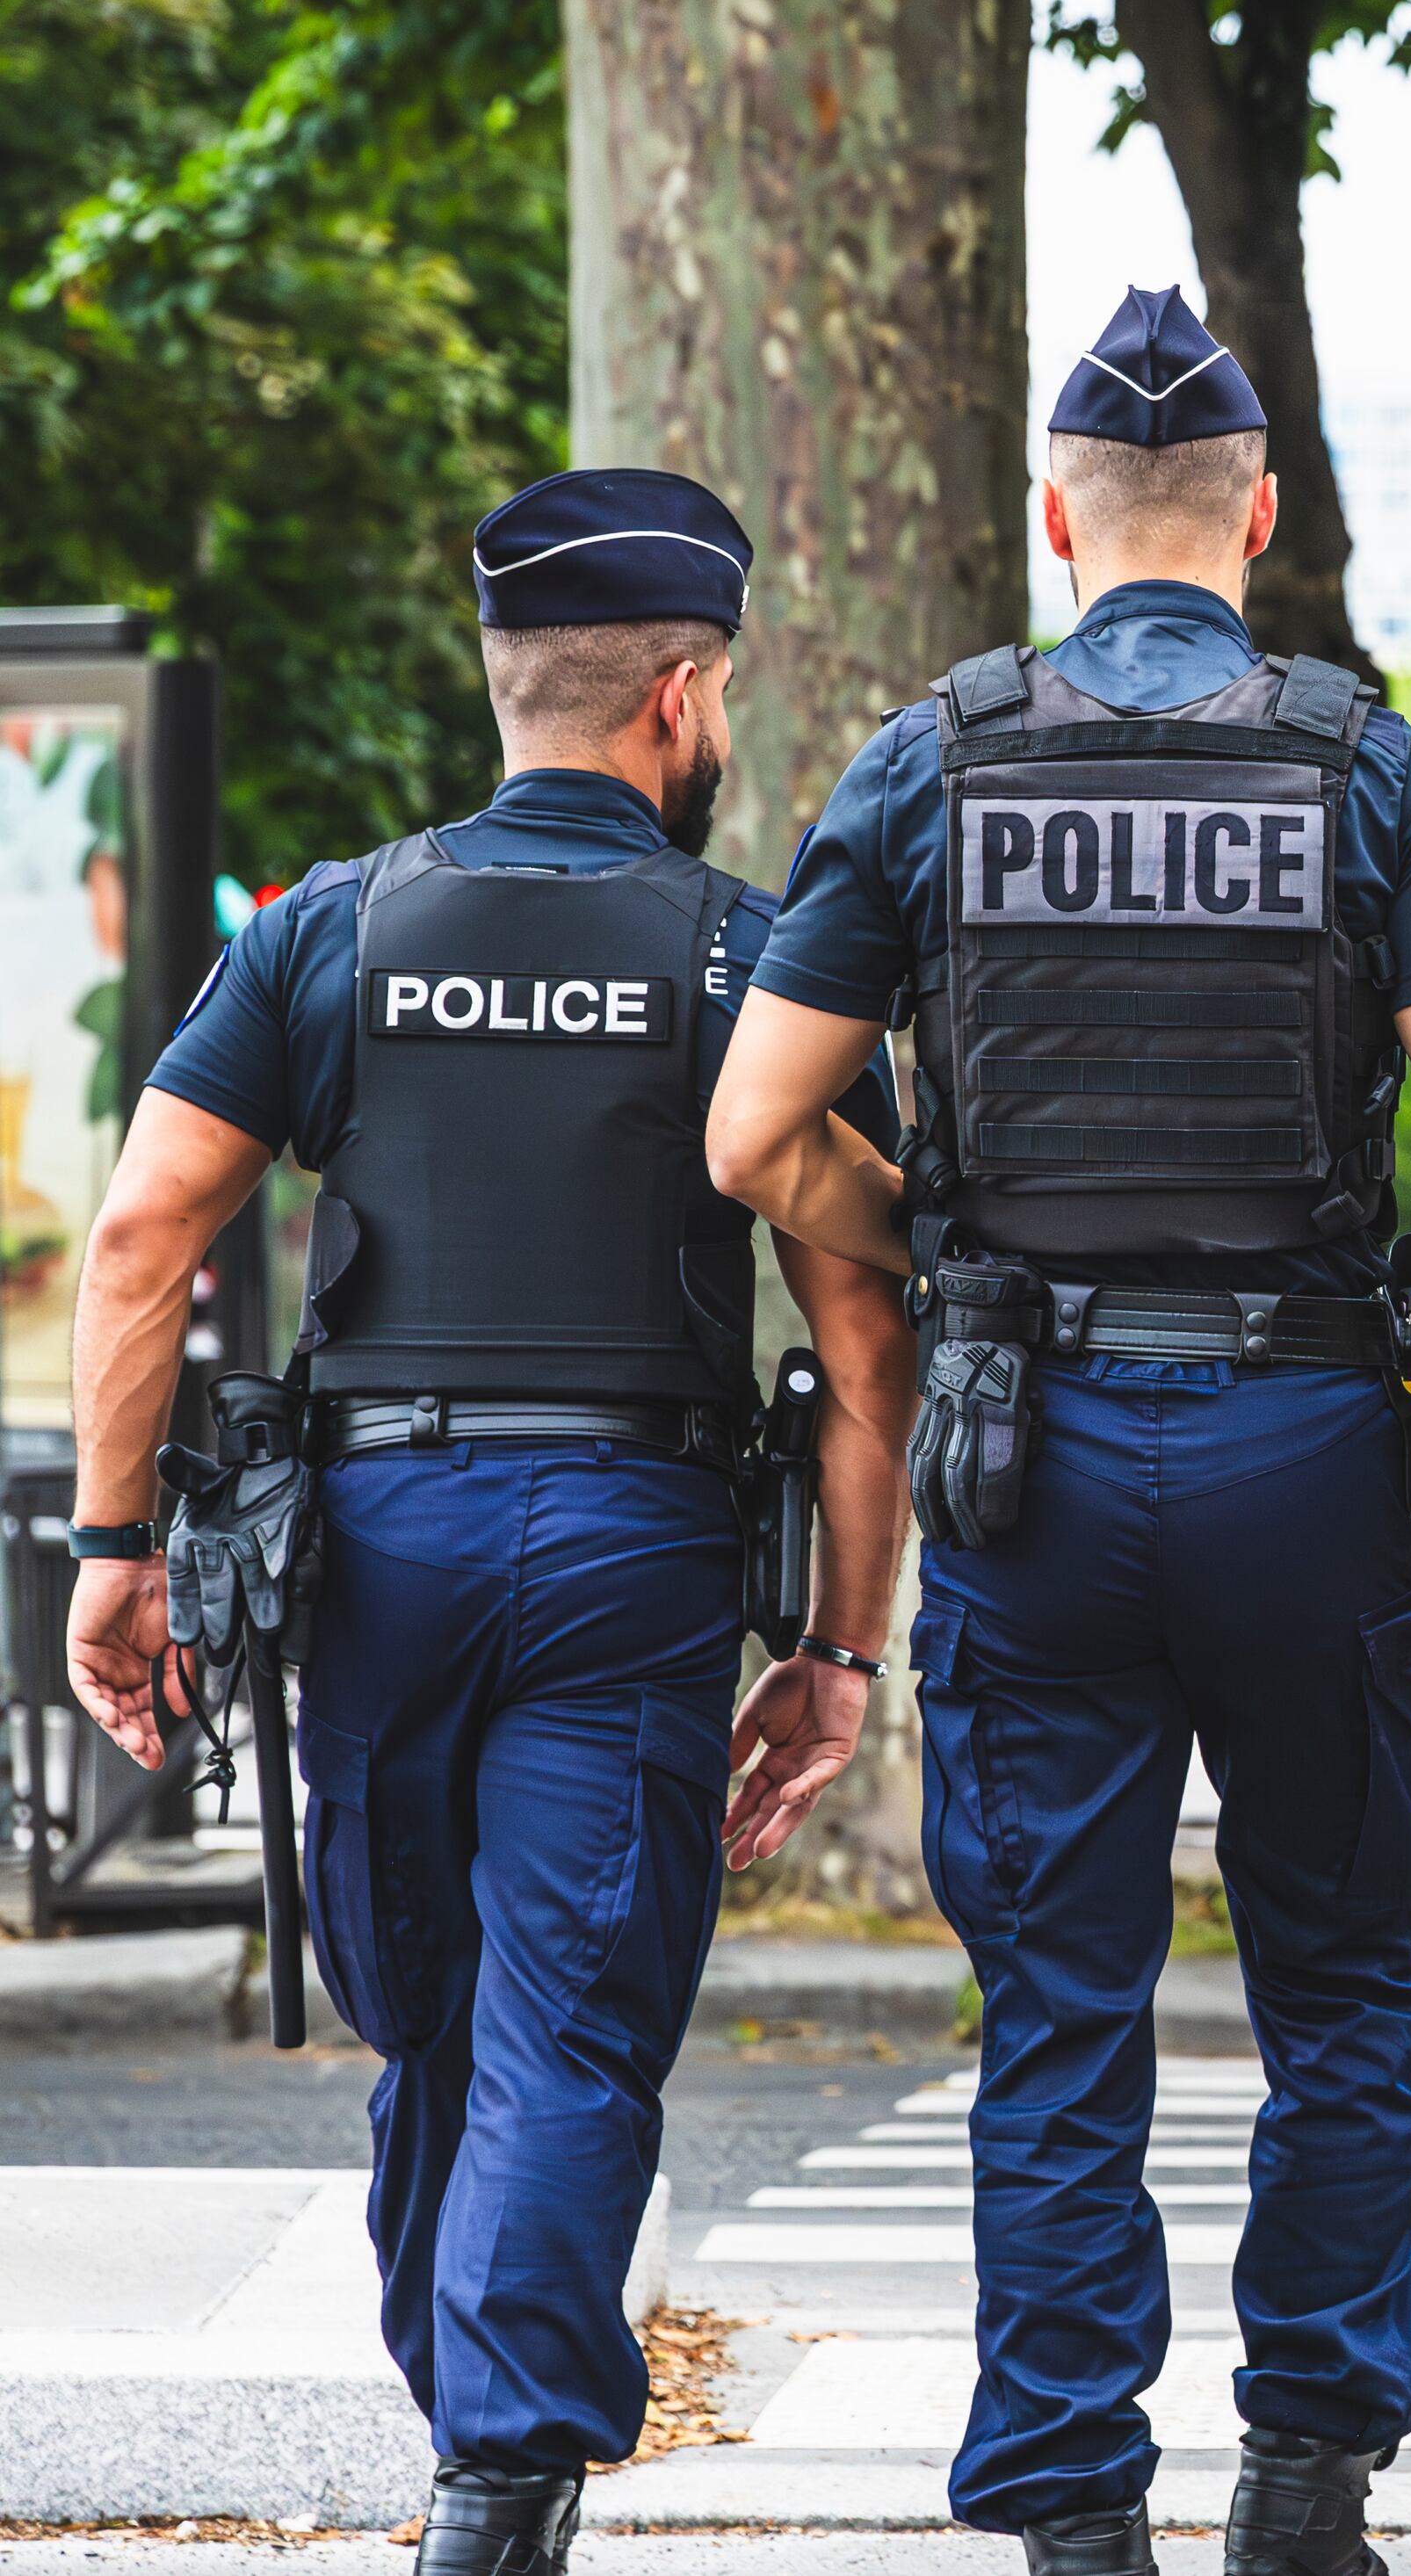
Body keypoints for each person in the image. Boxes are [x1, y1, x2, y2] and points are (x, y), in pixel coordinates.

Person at [703, 288, 1411, 2576]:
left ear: (1051, 517)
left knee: (1066, 2013)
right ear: (1263, 517)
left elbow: (753, 1135)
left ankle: (1077, 2503)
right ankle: (1306, 2479)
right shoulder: (1376, 770)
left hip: (1036, 1460)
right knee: (1350, 1993)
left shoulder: (933, 765)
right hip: (1307, 1442)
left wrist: (944, 1238)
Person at [62, 467, 919, 2576]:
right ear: (682, 696)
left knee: (439, 2000)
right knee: (547, 2011)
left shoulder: (330, 930)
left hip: (379, 1536)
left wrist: (113, 1542)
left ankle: (498, 2469)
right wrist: (839, 1642)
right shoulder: (751, 958)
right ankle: (494, 2443)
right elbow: (865, 1323)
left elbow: (143, 1232)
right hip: (630, 1537)